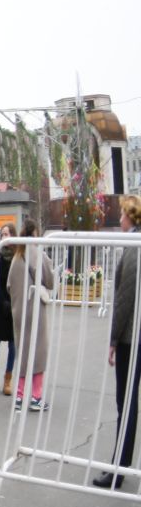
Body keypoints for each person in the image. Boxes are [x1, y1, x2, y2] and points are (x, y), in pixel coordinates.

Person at [95, 196, 140, 489]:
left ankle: (119, 468)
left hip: (131, 337)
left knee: (126, 401)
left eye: (122, 214)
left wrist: (113, 338)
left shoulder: (134, 249)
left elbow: (125, 298)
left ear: (130, 216)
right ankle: (120, 465)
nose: (119, 219)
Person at [5, 224, 57, 414]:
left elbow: (9, 285)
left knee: (23, 352)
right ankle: (36, 397)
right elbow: (49, 280)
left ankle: (19, 396)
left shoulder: (17, 255)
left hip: (18, 310)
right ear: (35, 233)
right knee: (39, 353)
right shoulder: (37, 252)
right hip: (35, 309)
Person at [0, 225, 18, 395]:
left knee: (13, 343)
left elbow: (18, 281)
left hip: (13, 303)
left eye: (7, 234)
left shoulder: (18, 255)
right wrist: (1, 301)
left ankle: (8, 378)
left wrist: (12, 300)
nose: (4, 237)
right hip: (0, 305)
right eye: (2, 234)